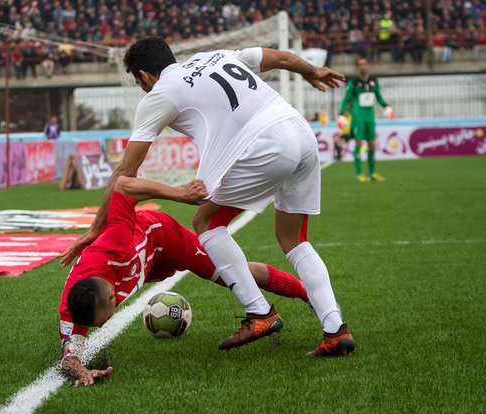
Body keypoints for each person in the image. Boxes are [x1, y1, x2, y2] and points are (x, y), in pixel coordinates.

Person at [61, 37, 354, 356]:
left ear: (144, 76)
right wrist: (312, 72)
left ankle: (259, 313)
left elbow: (125, 172)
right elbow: (280, 58)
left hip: (261, 146)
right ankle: (335, 332)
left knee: (206, 222)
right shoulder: (215, 56)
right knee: (294, 240)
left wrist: (95, 228)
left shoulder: (159, 94)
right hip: (299, 132)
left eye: (139, 82)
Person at [60, 176, 311, 386]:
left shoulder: (116, 245)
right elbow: (69, 358)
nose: (103, 326)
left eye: (104, 319)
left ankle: (306, 292)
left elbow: (124, 185)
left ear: (112, 295)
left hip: (165, 238)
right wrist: (84, 372)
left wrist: (181, 194)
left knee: (234, 274)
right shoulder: (76, 305)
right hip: (147, 267)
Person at [339, 57, 393, 182]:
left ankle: (372, 173)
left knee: (372, 144)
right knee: (359, 143)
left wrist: (387, 106)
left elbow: (378, 96)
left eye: (365, 64)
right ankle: (359, 174)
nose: (363, 67)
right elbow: (346, 99)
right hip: (358, 116)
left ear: (368, 65)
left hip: (370, 116)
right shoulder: (354, 82)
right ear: (358, 67)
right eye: (360, 65)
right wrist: (341, 113)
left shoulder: (374, 81)